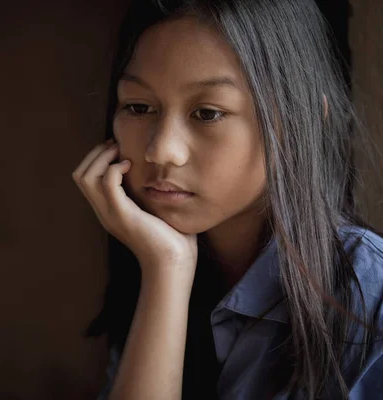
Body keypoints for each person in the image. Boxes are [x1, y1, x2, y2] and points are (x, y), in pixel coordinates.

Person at [71, 0, 383, 398]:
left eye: (207, 113)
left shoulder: (369, 299)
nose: (161, 151)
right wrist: (167, 269)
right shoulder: (153, 272)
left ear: (300, 121)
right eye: (138, 106)